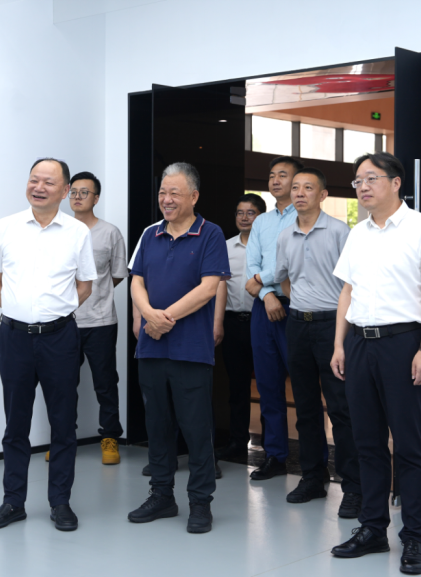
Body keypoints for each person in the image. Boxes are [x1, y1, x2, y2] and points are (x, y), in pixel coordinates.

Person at [329, 153, 421, 575]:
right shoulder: (357, 233)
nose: (362, 187)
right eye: (358, 180)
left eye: (371, 179)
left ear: (396, 182)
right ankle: (373, 529)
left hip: (403, 344)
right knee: (367, 443)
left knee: (409, 446)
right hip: (359, 344)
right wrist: (339, 344)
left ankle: (415, 537)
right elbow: (347, 292)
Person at [0, 158, 97, 532]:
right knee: (15, 424)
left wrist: (53, 314)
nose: (39, 187)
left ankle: (60, 502)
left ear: (65, 191)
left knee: (63, 423)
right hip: (14, 337)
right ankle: (12, 502)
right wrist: (20, 313)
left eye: (48, 182)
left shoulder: (77, 232)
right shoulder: (5, 227)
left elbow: (85, 285)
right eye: (34, 180)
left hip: (60, 338)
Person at [128, 162, 230, 534]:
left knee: (196, 428)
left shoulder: (211, 233)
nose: (166, 199)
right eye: (162, 193)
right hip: (151, 349)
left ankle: (200, 502)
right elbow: (136, 281)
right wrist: (147, 314)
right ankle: (162, 496)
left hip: (191, 348)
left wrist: (162, 318)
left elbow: (209, 288)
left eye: (174, 193)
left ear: (194, 196)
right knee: (157, 425)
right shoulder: (150, 233)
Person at [274, 167, 361, 518]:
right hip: (297, 325)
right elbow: (284, 281)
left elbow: (352, 285)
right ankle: (312, 478)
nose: (299, 193)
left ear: (322, 195)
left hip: (332, 327)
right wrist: (302, 303)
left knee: (341, 408)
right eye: (295, 187)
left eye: (307, 187)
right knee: (306, 407)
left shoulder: (341, 232)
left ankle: (354, 487)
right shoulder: (285, 236)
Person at [244, 155, 303, 480]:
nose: (276, 180)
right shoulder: (262, 222)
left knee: (304, 388)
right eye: (272, 175)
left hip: (297, 306)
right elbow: (251, 266)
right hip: (263, 308)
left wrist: (262, 283)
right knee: (268, 387)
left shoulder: (305, 218)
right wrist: (267, 294)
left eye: (283, 175)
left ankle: (314, 462)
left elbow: (293, 265)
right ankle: (275, 456)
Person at [67, 171, 127, 465]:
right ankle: (63, 439)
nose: (77, 197)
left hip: (101, 321)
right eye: (73, 192)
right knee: (64, 383)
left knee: (105, 382)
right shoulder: (59, 229)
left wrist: (95, 294)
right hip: (64, 322)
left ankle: (110, 437)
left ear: (96, 198)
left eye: (84, 192)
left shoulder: (110, 232)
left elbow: (117, 275)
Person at [214, 193, 265, 461]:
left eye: (251, 213)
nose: (244, 218)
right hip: (234, 323)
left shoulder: (269, 247)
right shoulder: (224, 247)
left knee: (268, 386)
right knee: (237, 388)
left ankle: (272, 445)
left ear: (261, 217)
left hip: (263, 322)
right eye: (240, 212)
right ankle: (237, 442)